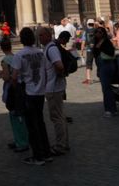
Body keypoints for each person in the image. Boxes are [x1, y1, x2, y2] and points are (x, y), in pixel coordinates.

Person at [12, 27, 50, 166]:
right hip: (40, 92)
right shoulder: (41, 53)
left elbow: (15, 77)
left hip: (28, 93)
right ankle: (47, 153)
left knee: (31, 126)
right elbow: (46, 71)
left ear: (21, 39)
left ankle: (38, 157)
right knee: (40, 123)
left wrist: (16, 87)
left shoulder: (19, 55)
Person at [0, 37, 28, 153]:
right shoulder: (16, 57)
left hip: (11, 89)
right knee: (21, 115)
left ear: (2, 48)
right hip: (20, 88)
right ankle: (21, 139)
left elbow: (6, 77)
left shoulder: (5, 61)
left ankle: (20, 142)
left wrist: (1, 73)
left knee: (15, 116)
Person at [41, 28, 68, 156]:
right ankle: (64, 143)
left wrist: (58, 78)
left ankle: (60, 145)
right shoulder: (49, 48)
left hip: (53, 88)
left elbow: (59, 66)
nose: (39, 38)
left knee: (56, 117)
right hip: (55, 87)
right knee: (60, 116)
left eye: (41, 35)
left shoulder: (51, 49)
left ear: (47, 36)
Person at [93, 26, 117, 117]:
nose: (98, 34)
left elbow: (111, 52)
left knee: (106, 88)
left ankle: (109, 110)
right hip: (101, 66)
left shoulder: (106, 42)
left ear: (103, 33)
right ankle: (112, 109)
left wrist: (100, 48)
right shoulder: (96, 42)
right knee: (107, 88)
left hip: (107, 65)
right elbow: (95, 55)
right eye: (97, 32)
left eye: (100, 32)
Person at [81, 19, 96, 84]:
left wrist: (82, 51)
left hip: (89, 49)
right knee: (99, 63)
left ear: (87, 24)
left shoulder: (85, 31)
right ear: (93, 24)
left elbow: (83, 41)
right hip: (97, 49)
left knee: (88, 63)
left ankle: (88, 79)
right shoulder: (97, 30)